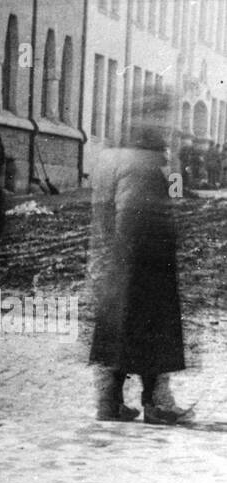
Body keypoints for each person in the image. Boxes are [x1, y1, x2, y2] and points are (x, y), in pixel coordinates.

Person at [88, 91, 193, 425]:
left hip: (148, 254)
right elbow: (104, 208)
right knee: (138, 324)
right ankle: (138, 401)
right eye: (156, 116)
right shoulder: (124, 158)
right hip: (136, 253)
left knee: (129, 324)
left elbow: (176, 198)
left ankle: (126, 401)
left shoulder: (153, 158)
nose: (162, 124)